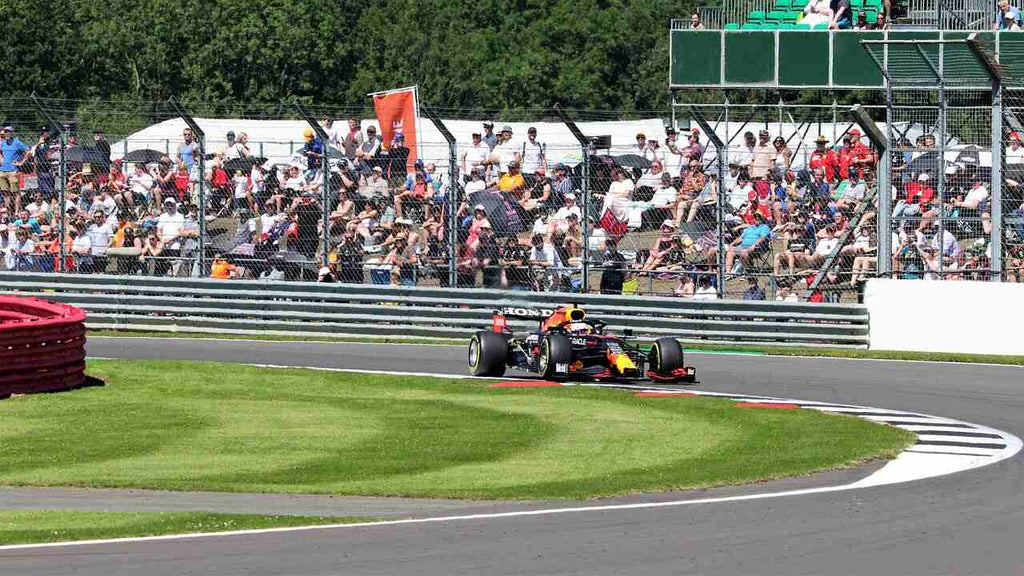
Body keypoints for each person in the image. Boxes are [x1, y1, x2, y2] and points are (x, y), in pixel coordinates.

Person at [1, 126, 29, 214]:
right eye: (5, 132)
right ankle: (8, 213)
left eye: (9, 132)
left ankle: (16, 212)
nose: (7, 133)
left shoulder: (17, 143)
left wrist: (21, 162)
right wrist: (1, 160)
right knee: (5, 193)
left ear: (12, 133)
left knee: (16, 192)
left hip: (13, 170)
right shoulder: (3, 143)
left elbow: (28, 152)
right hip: (2, 171)